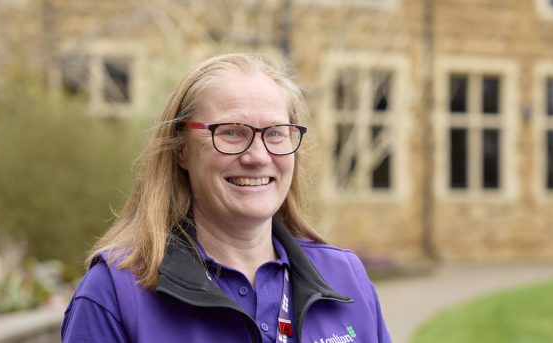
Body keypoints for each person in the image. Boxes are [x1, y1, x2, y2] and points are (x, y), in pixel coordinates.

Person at [61, 53, 392, 343]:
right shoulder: (116, 293)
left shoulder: (346, 278)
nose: (258, 156)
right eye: (231, 132)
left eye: (275, 133)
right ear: (181, 150)